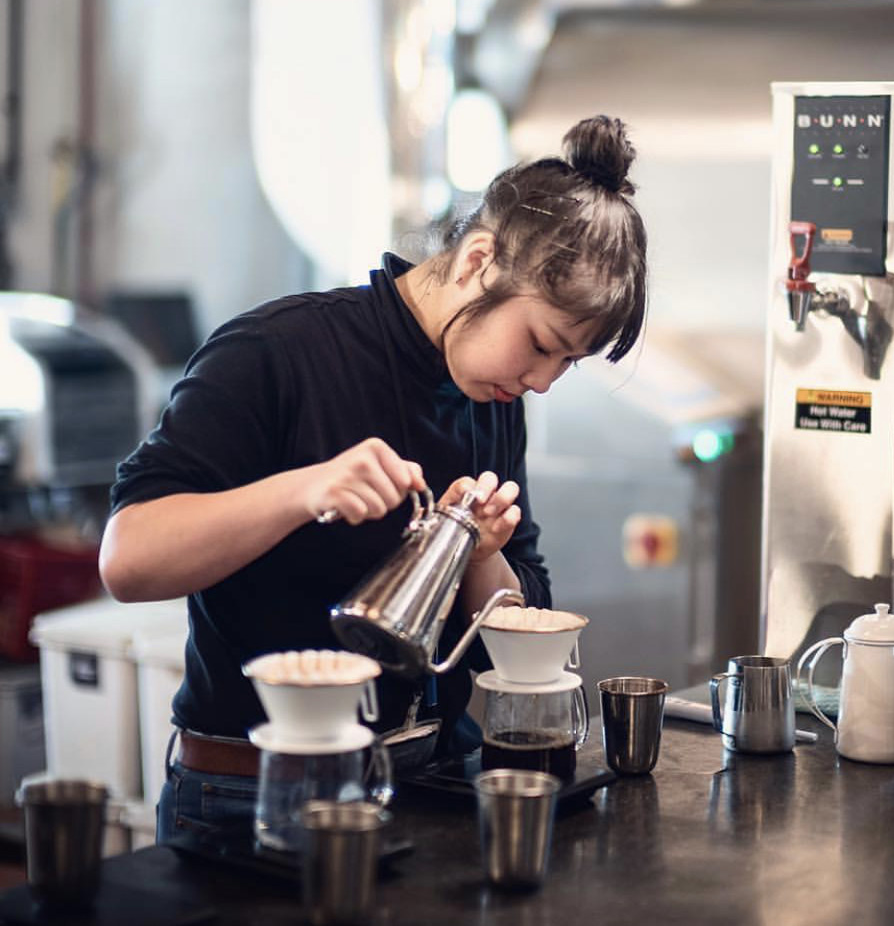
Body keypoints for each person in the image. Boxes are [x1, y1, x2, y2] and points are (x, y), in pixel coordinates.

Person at [98, 114, 648, 842]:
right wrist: (305, 489)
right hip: (254, 795)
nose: (542, 381)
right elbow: (128, 558)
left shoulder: (492, 398)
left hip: (434, 782)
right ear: (479, 259)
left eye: (565, 363)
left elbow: (518, 629)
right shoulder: (278, 352)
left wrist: (481, 554)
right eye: (540, 344)